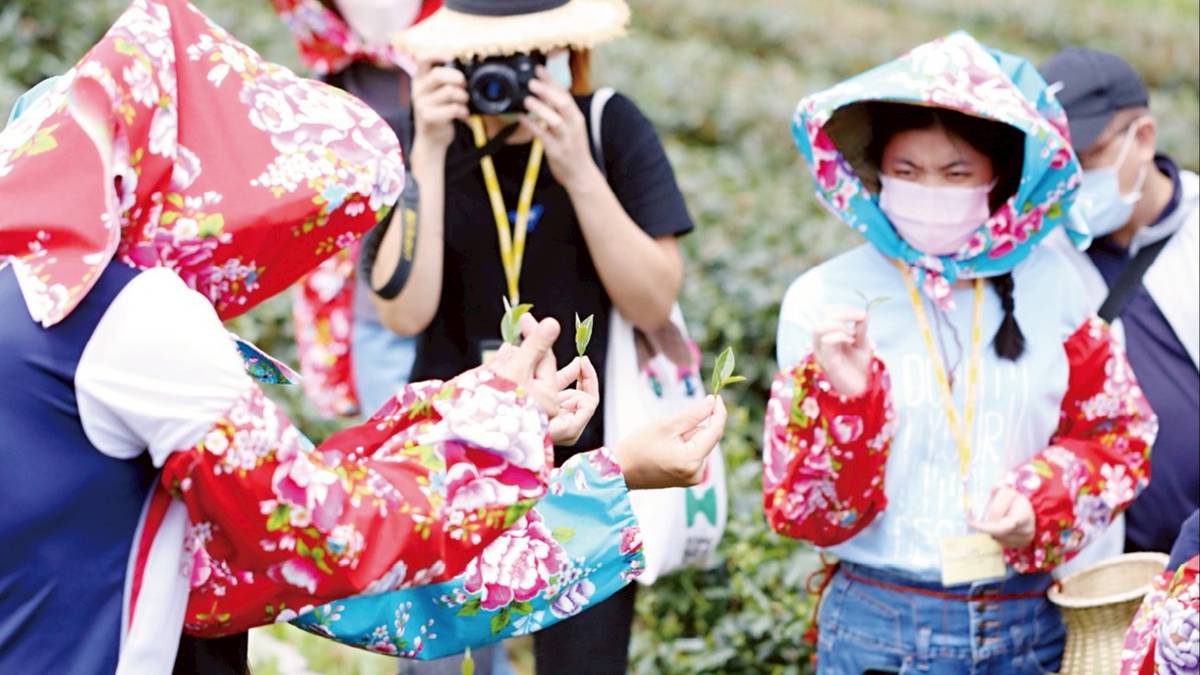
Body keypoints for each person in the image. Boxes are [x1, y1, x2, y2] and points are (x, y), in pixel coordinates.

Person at [0, 1, 727, 672]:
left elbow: (247, 528)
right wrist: (555, 445)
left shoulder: (32, 297)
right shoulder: (137, 323)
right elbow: (327, 534)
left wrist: (492, 407)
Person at [763, 32, 1158, 673]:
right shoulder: (825, 299)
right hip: (880, 624)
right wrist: (847, 401)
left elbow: (1118, 433)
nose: (929, 190)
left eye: (955, 173)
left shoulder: (1052, 285)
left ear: (997, 181)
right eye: (907, 172)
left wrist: (1043, 499)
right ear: (876, 174)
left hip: (1028, 621)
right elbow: (808, 514)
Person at [372, 1, 695, 672]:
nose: (504, 76)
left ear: (562, 53)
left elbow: (655, 294)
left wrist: (577, 167)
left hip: (591, 456)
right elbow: (402, 312)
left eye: (525, 56)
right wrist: (426, 154)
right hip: (453, 457)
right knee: (439, 659)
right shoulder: (426, 138)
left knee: (584, 659)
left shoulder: (609, 127)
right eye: (481, 56)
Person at [1040, 46, 1199, 558]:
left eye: (1085, 162)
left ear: (1143, 138)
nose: (1072, 185)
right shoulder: (1042, 256)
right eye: (1057, 168)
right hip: (1100, 580)